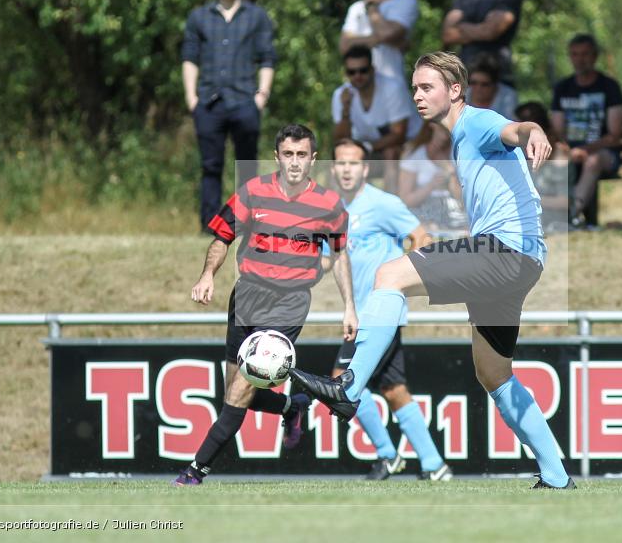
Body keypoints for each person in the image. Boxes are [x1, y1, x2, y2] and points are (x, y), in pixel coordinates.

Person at [291, 52, 575, 490]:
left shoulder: (475, 122)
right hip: (522, 260)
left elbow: (515, 130)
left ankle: (349, 388)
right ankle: (556, 477)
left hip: (504, 251)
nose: (417, 95)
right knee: (493, 374)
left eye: (427, 87)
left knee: (389, 275)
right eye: (415, 88)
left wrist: (534, 130)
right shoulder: (461, 139)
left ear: (455, 90)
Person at [173, 124, 357, 485]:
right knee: (234, 392)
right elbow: (222, 237)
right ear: (277, 157)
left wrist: (349, 305)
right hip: (246, 297)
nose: (294, 162)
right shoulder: (253, 192)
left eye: (301, 155)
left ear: (313, 158)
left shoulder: (329, 205)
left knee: (241, 390)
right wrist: (207, 275)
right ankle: (292, 406)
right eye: (287, 154)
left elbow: (339, 256)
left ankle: (194, 472)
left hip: (288, 304)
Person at [328, 138, 453, 481]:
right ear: (333, 168)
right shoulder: (333, 207)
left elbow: (422, 238)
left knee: (341, 381)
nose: (347, 169)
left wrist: (404, 280)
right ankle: (433, 464)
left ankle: (387, 454)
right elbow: (333, 259)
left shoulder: (382, 203)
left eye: (354, 163)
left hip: (379, 311)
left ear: (366, 169)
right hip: (367, 312)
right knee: (394, 389)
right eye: (341, 163)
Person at [182, 0, 276, 232]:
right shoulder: (199, 17)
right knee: (210, 167)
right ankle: (209, 226)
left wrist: (261, 97)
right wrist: (191, 98)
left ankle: (246, 224)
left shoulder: (257, 17)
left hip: (245, 101)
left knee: (246, 167)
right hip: (208, 102)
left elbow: (267, 59)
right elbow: (189, 58)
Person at [550, 34, 622, 226]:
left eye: (585, 54)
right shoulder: (562, 88)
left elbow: (615, 135)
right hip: (570, 151)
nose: (579, 59)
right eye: (574, 54)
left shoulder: (609, 87)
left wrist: (585, 150)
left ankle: (571, 214)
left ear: (594, 56)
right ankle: (547, 213)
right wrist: (567, 149)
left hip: (605, 154)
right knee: (554, 157)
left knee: (593, 160)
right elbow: (557, 131)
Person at [332, 46, 422, 193]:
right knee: (343, 158)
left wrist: (366, 148)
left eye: (363, 70)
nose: (358, 76)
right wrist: (345, 111)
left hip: (411, 146)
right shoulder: (341, 95)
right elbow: (340, 140)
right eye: (352, 72)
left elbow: (399, 135)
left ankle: (390, 205)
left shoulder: (392, 88)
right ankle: (348, 207)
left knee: (390, 153)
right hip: (370, 149)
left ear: (373, 69)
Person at [441, 0, 521, 87]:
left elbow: (490, 32)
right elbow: (448, 34)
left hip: (497, 75)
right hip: (465, 75)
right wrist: (481, 29)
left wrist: (462, 27)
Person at [340, 0, 419, 81]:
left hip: (393, 83)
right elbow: (344, 46)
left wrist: (372, 8)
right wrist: (390, 40)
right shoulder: (356, 8)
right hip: (360, 84)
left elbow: (386, 34)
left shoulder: (407, 2)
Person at [398, 123, 467, 232]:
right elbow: (406, 200)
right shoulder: (414, 154)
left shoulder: (460, 152)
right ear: (432, 125)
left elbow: (465, 201)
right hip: (422, 209)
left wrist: (452, 175)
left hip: (452, 208)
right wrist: (431, 185)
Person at [516, 102, 569, 231]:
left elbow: (565, 202)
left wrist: (529, 200)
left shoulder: (559, 156)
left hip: (553, 220)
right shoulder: (521, 152)